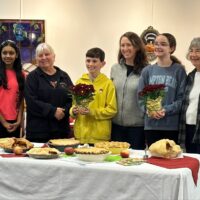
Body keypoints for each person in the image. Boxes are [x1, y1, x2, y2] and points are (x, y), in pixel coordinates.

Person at [138, 33, 187, 147]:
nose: (158, 46)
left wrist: (165, 110)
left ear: (172, 48)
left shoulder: (179, 70)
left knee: (169, 160)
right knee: (153, 160)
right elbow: (140, 97)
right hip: (151, 126)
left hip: (171, 126)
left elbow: (182, 99)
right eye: (156, 44)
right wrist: (150, 111)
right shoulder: (147, 71)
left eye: (163, 44)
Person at [25, 43, 73, 143]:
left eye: (47, 54)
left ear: (54, 56)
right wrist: (53, 111)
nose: (44, 58)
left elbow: (72, 98)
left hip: (61, 131)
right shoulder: (32, 77)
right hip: (38, 132)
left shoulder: (64, 76)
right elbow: (31, 102)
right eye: (40, 55)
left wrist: (64, 111)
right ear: (36, 59)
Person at [70, 47, 117, 144]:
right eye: (88, 61)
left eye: (94, 61)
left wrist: (92, 112)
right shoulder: (79, 82)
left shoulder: (108, 84)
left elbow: (112, 110)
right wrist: (73, 111)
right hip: (81, 136)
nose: (90, 64)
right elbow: (74, 104)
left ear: (103, 64)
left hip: (100, 137)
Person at [110, 32, 148, 149]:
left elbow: (149, 98)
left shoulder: (146, 70)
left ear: (136, 47)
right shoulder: (115, 68)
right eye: (122, 45)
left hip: (137, 128)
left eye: (128, 45)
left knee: (135, 163)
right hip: (116, 126)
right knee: (115, 163)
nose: (125, 49)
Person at [179, 37, 200, 153]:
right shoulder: (190, 76)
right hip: (188, 128)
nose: (193, 54)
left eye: (198, 51)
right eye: (191, 50)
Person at [0, 40, 25, 138]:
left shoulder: (22, 75)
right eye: (4, 53)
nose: (8, 56)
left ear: (16, 55)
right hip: (1, 120)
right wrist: (4, 122)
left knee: (14, 151)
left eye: (11, 53)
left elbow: (21, 99)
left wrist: (19, 121)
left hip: (14, 123)